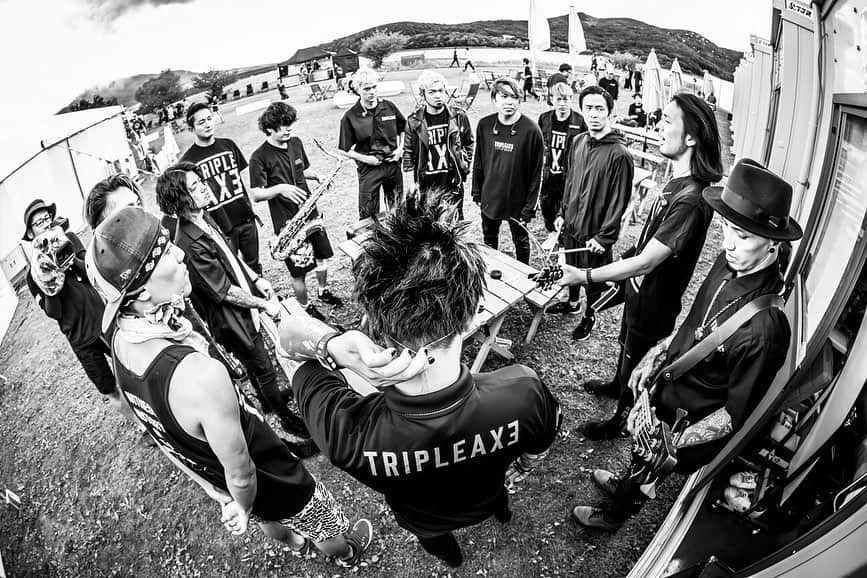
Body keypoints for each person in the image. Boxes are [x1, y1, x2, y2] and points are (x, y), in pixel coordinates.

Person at [279, 195, 562, 567]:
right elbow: (536, 450)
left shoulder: (343, 431)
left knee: (438, 543)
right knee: (498, 504)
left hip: (424, 522)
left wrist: (332, 343)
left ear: (372, 322)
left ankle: (453, 560)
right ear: (471, 313)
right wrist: (523, 465)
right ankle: (501, 514)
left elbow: (287, 345)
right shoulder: (523, 391)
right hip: (489, 494)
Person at [86, 206, 373, 566]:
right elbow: (243, 472)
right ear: (141, 293)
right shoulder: (200, 376)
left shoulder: (120, 344)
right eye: (163, 254)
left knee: (269, 517)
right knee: (320, 519)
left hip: (222, 475)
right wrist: (241, 501)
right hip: (266, 473)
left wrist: (230, 498)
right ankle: (347, 552)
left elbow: (163, 438)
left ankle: (296, 545)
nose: (179, 253)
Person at [571, 159, 802, 531]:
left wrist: (672, 442)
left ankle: (614, 516)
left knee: (652, 471)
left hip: (687, 425)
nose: (728, 244)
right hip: (667, 392)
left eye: (743, 236)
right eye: (727, 228)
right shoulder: (728, 263)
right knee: (640, 457)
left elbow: (732, 415)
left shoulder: (766, 329)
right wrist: (654, 356)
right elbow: (693, 327)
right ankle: (626, 480)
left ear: (773, 243)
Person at [558, 94, 723, 439]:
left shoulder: (692, 199)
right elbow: (644, 241)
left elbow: (648, 261)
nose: (659, 127)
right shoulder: (675, 182)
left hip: (655, 303)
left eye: (667, 121)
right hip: (637, 295)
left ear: (691, 136)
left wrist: (584, 275)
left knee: (638, 360)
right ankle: (618, 385)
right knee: (624, 343)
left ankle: (619, 420)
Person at [155, 162, 310, 439]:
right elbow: (224, 291)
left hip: (241, 307)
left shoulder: (205, 216)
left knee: (258, 365)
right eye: (194, 187)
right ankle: (286, 419)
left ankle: (268, 399)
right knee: (261, 364)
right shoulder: (190, 242)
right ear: (181, 201)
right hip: (230, 319)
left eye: (200, 181)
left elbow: (231, 253)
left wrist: (255, 278)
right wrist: (264, 304)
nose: (204, 187)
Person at [22, 199, 150, 444]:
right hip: (80, 339)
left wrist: (70, 261)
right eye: (39, 223)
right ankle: (143, 427)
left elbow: (92, 272)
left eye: (47, 218)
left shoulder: (69, 238)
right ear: (31, 233)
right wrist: (50, 280)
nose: (46, 223)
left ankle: (157, 410)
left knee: (136, 366)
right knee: (109, 387)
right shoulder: (32, 275)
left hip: (104, 320)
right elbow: (54, 312)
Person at [553, 85, 633, 340]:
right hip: (572, 225)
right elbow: (570, 181)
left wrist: (604, 237)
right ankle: (573, 302)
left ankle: (590, 314)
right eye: (588, 108)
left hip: (594, 234)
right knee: (571, 267)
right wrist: (562, 213)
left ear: (610, 112)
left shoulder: (620, 155)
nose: (593, 114)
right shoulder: (577, 142)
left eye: (600, 108)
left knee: (594, 279)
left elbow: (618, 201)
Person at [248, 102, 343, 317]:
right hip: (288, 222)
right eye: (283, 125)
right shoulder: (259, 156)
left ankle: (323, 290)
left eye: (290, 124)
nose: (289, 129)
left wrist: (318, 176)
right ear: (269, 128)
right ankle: (305, 306)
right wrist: (280, 188)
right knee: (298, 271)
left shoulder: (296, 142)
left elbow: (304, 169)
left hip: (310, 213)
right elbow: (255, 193)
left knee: (321, 257)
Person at [181, 102, 261, 274]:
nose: (208, 124)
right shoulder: (187, 161)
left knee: (253, 264)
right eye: (201, 122)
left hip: (245, 216)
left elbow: (241, 178)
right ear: (191, 128)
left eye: (210, 119)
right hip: (219, 224)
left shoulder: (228, 145)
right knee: (232, 270)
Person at [472, 77, 544, 265]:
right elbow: (478, 161)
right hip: (491, 196)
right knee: (489, 239)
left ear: (520, 100)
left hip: (517, 201)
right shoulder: (485, 125)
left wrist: (529, 207)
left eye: (514, 97)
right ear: (495, 99)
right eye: (504, 96)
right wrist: (477, 191)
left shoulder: (531, 130)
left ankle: (524, 277)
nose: (509, 102)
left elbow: (538, 174)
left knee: (520, 242)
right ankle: (490, 272)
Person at [402, 71, 474, 219]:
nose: (438, 96)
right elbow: (408, 153)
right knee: (428, 223)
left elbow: (469, 142)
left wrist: (464, 164)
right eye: (432, 92)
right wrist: (411, 183)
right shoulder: (414, 121)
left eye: (441, 91)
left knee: (455, 222)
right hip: (426, 182)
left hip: (451, 180)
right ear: (423, 94)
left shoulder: (458, 116)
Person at [338, 67, 406, 219]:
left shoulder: (389, 107)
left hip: (392, 164)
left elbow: (404, 129)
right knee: (368, 214)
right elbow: (344, 150)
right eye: (367, 89)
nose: (372, 92)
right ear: (357, 90)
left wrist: (400, 150)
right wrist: (367, 159)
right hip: (369, 169)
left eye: (374, 87)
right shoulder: (350, 116)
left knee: (398, 209)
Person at [537, 82, 586, 239]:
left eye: (567, 99)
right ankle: (552, 233)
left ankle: (564, 237)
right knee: (547, 204)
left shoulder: (580, 121)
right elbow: (538, 144)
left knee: (567, 206)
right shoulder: (544, 118)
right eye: (559, 99)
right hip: (549, 171)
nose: (563, 103)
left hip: (569, 174)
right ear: (552, 99)